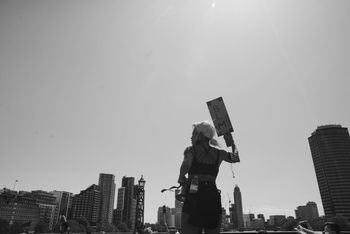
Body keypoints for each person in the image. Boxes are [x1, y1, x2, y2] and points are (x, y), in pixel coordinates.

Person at [177, 121, 240, 234]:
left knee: (188, 230)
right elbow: (235, 158)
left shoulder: (191, 150)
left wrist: (181, 176)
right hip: (212, 196)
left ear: (200, 136)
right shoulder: (219, 153)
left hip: (194, 196)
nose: (191, 137)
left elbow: (186, 165)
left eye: (193, 134)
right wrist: (231, 142)